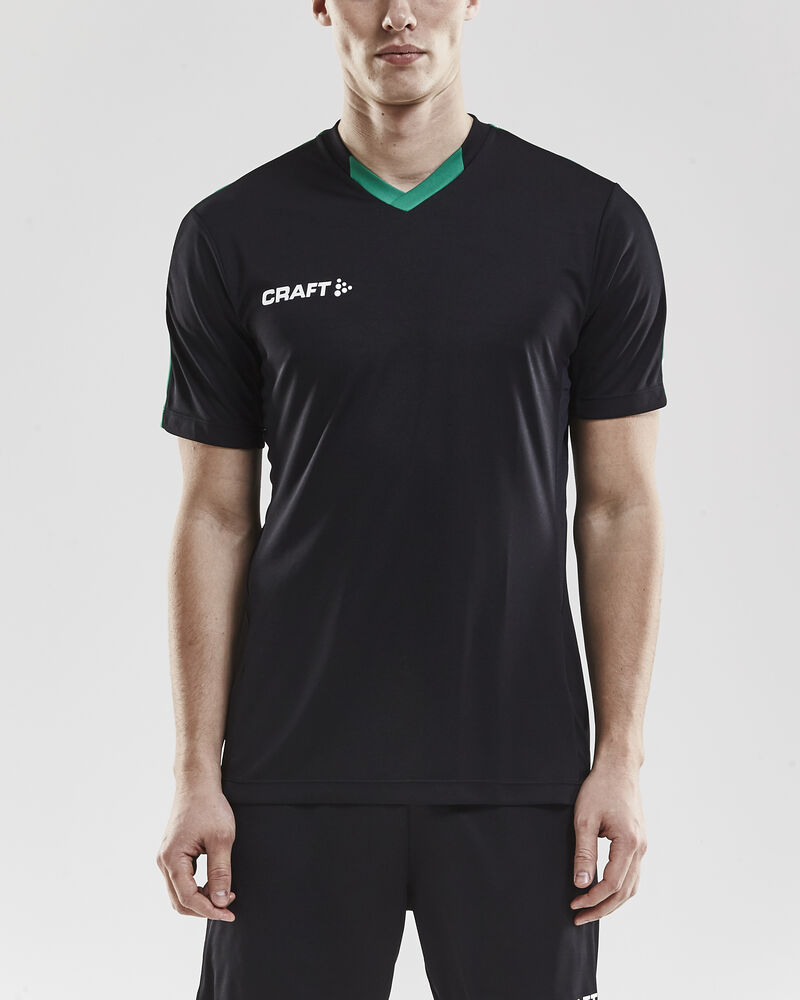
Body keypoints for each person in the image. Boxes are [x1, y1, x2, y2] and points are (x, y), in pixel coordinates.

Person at [155, 1, 666, 997]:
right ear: (320, 5)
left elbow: (619, 506)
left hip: (520, 775)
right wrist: (192, 773)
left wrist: (620, 758)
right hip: (293, 771)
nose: (398, 13)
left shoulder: (589, 223)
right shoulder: (232, 233)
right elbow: (213, 514)